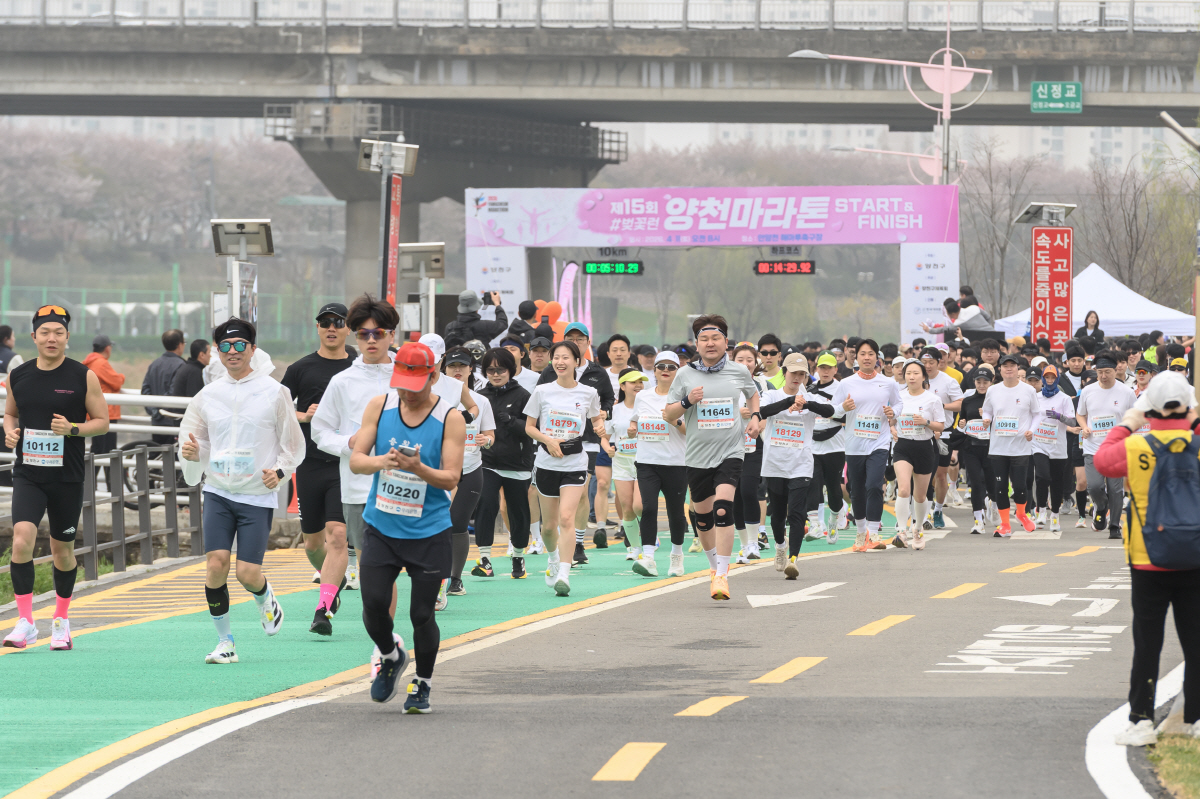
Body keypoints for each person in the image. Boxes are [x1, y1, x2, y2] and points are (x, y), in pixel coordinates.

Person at [178, 318, 305, 664]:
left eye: (239, 346)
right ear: (216, 352)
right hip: (218, 491)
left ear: (251, 349)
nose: (232, 352)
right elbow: (196, 441)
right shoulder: (208, 395)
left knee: (247, 573)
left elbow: (293, 444)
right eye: (225, 347)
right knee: (216, 565)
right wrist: (191, 454)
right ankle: (225, 642)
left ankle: (265, 598)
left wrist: (279, 472)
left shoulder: (274, 391)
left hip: (255, 495)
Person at [351, 341, 466, 711]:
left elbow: (451, 479)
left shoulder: (451, 418)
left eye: (415, 387)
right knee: (373, 604)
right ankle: (390, 655)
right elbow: (356, 460)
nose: (407, 394)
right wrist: (383, 461)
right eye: (401, 385)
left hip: (428, 531)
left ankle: (423, 683)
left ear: (433, 377)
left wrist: (418, 469)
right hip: (381, 525)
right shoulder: (379, 406)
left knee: (421, 614)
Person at [1092, 372, 1200, 747]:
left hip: (1146, 558)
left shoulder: (1137, 446)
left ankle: (1140, 721)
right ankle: (1191, 720)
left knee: (1148, 642)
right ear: (1187, 405)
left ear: (1149, 407)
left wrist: (1128, 422)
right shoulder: (1196, 442)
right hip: (1196, 556)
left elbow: (1103, 462)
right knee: (1196, 642)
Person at [2, 306, 110, 652]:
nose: (52, 338)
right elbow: (10, 413)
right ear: (34, 337)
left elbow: (103, 422)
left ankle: (61, 621)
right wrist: (10, 432)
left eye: (58, 333)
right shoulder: (18, 375)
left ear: (66, 338)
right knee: (21, 540)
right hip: (29, 474)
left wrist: (73, 428)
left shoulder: (82, 376)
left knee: (62, 550)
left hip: (67, 476)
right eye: (45, 332)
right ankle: (26, 622)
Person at [311, 296, 399, 670]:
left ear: (391, 335)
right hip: (360, 487)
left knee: (393, 567)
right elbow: (320, 430)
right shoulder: (342, 381)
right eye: (363, 334)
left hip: (407, 486)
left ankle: (388, 639)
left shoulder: (410, 375)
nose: (371, 341)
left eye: (378, 333)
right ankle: (384, 643)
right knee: (372, 568)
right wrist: (348, 443)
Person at [664, 315, 761, 601]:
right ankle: (712, 568)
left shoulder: (739, 371)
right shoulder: (685, 375)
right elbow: (669, 414)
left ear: (725, 342)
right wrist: (687, 402)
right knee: (703, 518)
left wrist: (755, 416)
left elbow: (753, 395)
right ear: (697, 344)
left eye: (715, 338)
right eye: (704, 339)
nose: (710, 343)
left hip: (731, 451)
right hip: (696, 456)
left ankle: (722, 574)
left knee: (722, 509)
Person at [280, 302, 356, 635]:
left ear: (347, 328)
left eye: (338, 322)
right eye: (325, 322)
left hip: (346, 464)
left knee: (338, 536)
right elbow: (278, 413)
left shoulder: (359, 367)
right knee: (312, 544)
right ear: (317, 327)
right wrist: (305, 417)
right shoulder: (300, 369)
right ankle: (332, 585)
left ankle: (322, 609)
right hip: (309, 464)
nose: (331, 327)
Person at [524, 340, 607, 597]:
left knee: (567, 518)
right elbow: (529, 427)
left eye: (566, 357)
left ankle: (564, 572)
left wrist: (601, 429)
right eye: (556, 357)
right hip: (546, 463)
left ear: (576, 361)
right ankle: (553, 557)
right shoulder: (542, 391)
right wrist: (548, 440)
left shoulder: (588, 393)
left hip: (575, 462)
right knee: (549, 527)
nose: (560, 362)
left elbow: (595, 419)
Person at [535, 323, 614, 563]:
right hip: (552, 444)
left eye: (580, 339)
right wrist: (545, 439)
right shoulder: (550, 373)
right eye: (571, 338)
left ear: (587, 343)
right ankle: (558, 540)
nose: (576, 341)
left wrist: (603, 415)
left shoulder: (597, 373)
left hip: (586, 442)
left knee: (581, 494)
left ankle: (578, 542)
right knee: (553, 510)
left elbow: (609, 400)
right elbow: (537, 411)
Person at [757, 354, 835, 573]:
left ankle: (793, 558)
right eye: (793, 373)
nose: (797, 378)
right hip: (775, 463)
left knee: (797, 513)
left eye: (802, 374)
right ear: (784, 372)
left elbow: (831, 411)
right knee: (779, 513)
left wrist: (806, 403)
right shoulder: (771, 395)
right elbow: (762, 411)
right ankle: (781, 547)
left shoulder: (811, 399)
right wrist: (790, 401)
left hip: (800, 464)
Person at [830, 339, 901, 551]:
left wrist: (893, 413)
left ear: (876, 357)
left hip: (879, 442)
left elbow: (898, 403)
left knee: (874, 485)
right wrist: (843, 407)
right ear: (856, 357)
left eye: (871, 354)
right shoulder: (846, 383)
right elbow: (832, 410)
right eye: (863, 354)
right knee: (857, 490)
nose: (867, 357)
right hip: (853, 444)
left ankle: (874, 533)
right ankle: (861, 533)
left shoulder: (888, 383)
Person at [473, 348, 535, 579]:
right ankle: (485, 559)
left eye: (501, 370)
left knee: (518, 512)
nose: (496, 374)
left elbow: (532, 429)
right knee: (486, 505)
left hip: (517, 463)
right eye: (490, 370)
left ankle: (518, 557)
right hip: (487, 461)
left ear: (510, 370)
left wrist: (512, 422)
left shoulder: (523, 395)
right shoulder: (480, 396)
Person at [441, 346, 495, 601]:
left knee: (458, 522)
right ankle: (436, 576)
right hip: (440, 470)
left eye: (462, 366)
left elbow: (491, 435)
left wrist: (487, 440)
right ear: (444, 369)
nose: (457, 370)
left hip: (471, 469)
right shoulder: (435, 398)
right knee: (440, 523)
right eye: (452, 366)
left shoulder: (480, 401)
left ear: (470, 369)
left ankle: (456, 578)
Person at [631, 350, 689, 578]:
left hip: (676, 462)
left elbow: (691, 431)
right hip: (647, 462)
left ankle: (676, 556)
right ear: (653, 370)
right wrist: (632, 427)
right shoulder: (642, 396)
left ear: (678, 371)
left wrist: (673, 420)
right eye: (661, 366)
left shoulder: (684, 398)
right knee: (648, 508)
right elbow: (635, 421)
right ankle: (648, 558)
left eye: (671, 367)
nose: (665, 370)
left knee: (676, 513)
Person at [1077, 350, 1137, 539]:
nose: (1103, 376)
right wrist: (1084, 426)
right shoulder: (1088, 391)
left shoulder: (1126, 392)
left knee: (1115, 489)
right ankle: (1101, 507)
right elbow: (1080, 414)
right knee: (1094, 486)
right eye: (1100, 372)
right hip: (1093, 447)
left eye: (1107, 372)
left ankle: (1114, 526)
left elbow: (1135, 416)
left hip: (1117, 448)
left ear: (1115, 370)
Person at [980, 353, 1039, 537]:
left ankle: (1021, 513)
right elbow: (987, 409)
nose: (1009, 369)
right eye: (1005, 366)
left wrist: (1031, 430)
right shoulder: (993, 390)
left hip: (1021, 446)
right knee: (1000, 487)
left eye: (1012, 366)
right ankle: (1005, 524)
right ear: (1000, 369)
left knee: (1021, 486)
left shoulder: (1028, 390)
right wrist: (986, 419)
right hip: (998, 447)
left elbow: (1037, 414)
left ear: (1018, 369)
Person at [890, 359, 944, 549]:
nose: (911, 377)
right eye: (908, 373)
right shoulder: (898, 396)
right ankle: (901, 531)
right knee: (903, 489)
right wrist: (892, 428)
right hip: (903, 446)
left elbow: (941, 426)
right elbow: (891, 419)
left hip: (924, 447)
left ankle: (918, 528)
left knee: (920, 496)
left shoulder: (932, 399)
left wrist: (926, 422)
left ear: (923, 376)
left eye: (916, 373)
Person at [604, 368, 647, 571]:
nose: (638, 385)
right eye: (633, 382)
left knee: (640, 506)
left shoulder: (649, 406)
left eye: (641, 381)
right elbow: (604, 436)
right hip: (621, 462)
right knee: (627, 507)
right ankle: (635, 548)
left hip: (645, 460)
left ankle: (648, 537)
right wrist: (608, 449)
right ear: (622, 386)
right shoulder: (614, 409)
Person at [731, 344, 768, 561]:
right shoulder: (724, 383)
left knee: (748, 490)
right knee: (734, 496)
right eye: (740, 359)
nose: (745, 364)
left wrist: (759, 419)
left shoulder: (763, 384)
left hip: (755, 444)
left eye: (750, 360)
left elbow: (772, 409)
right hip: (729, 443)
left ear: (756, 363)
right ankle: (744, 545)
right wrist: (738, 413)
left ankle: (754, 543)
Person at [951, 364, 998, 534]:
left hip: (991, 448)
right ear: (974, 382)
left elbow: (1003, 424)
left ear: (991, 382)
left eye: (985, 381)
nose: (982, 384)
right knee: (976, 483)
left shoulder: (995, 400)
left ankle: (993, 505)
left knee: (992, 484)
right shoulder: (968, 401)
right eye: (979, 381)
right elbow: (962, 421)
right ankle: (978, 520)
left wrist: (990, 418)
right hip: (971, 447)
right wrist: (962, 423)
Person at [919, 346, 962, 528]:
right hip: (921, 434)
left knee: (941, 475)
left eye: (931, 362)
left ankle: (938, 509)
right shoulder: (915, 380)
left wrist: (941, 405)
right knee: (923, 474)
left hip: (943, 433)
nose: (927, 366)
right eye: (924, 362)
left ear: (939, 362)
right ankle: (925, 511)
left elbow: (960, 404)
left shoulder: (948, 381)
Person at [1030, 364, 1077, 533]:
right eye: (1047, 377)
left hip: (1058, 446)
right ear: (1043, 379)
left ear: (1057, 379)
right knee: (1042, 477)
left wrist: (1059, 416)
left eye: (1052, 378)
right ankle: (1041, 510)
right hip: (1039, 443)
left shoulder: (1064, 399)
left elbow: (1073, 422)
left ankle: (1055, 515)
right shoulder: (1035, 397)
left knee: (1057, 482)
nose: (1049, 381)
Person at [807, 352, 848, 541]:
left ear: (835, 369)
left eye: (829, 368)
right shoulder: (809, 389)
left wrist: (829, 412)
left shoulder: (842, 389)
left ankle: (833, 521)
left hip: (835, 445)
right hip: (813, 444)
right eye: (821, 367)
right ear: (816, 368)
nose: (825, 371)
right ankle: (816, 525)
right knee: (812, 484)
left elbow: (845, 415)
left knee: (833, 489)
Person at [82, 334, 125, 492]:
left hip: (95, 413)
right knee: (106, 451)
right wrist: (121, 376)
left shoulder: (89, 362)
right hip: (107, 414)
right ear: (107, 348)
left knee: (99, 450)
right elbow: (117, 382)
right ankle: (109, 488)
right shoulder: (100, 363)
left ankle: (90, 486)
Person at [142, 329, 187, 445]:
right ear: (179, 345)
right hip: (173, 422)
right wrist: (161, 410)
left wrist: (155, 411)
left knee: (157, 455)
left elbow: (145, 390)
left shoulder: (155, 364)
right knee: (171, 458)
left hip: (157, 422)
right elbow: (174, 393)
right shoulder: (181, 365)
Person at [444, 290, 508, 345]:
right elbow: (503, 323)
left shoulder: (450, 327)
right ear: (476, 308)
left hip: (457, 359)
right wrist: (497, 304)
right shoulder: (484, 326)